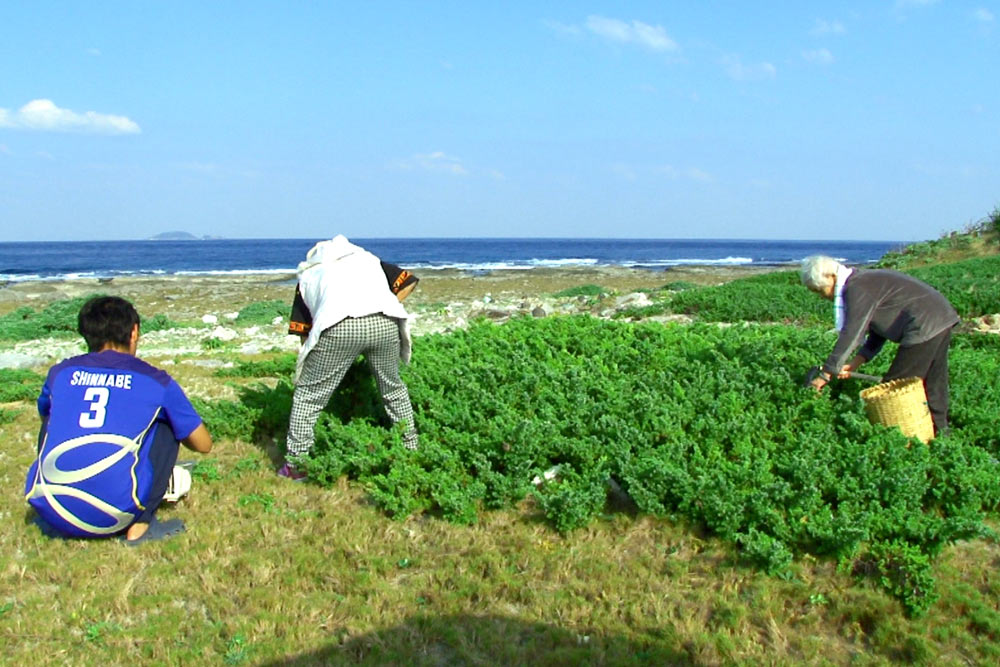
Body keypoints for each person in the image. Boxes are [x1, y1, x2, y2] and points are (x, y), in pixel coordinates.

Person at [24, 296, 213, 544]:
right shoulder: (155, 381)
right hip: (113, 515)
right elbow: (203, 444)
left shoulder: (60, 373)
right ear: (134, 332)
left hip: (52, 509)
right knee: (167, 423)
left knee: (52, 415)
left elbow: (44, 415)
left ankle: (58, 503)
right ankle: (142, 524)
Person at [280, 235, 419, 480]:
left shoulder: (311, 275)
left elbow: (303, 333)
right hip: (385, 321)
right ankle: (411, 448)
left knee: (308, 396)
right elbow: (408, 280)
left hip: (339, 325)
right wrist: (379, 306)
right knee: (393, 388)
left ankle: (296, 464)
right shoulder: (368, 260)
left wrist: (312, 361)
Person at [801, 255, 959, 435]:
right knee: (933, 381)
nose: (822, 296)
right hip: (940, 317)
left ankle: (898, 439)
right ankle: (941, 432)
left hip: (924, 322)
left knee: (893, 389)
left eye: (820, 290)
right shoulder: (862, 281)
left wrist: (826, 374)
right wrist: (856, 362)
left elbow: (851, 333)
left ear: (831, 277)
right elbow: (878, 330)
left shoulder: (856, 288)